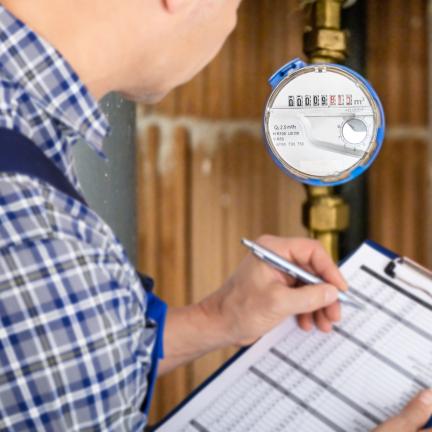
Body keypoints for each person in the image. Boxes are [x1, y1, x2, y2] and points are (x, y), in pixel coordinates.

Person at [0, 1, 429, 431]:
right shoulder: (39, 231)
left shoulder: (26, 143)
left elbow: (42, 364)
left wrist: (217, 317)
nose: (231, 22)